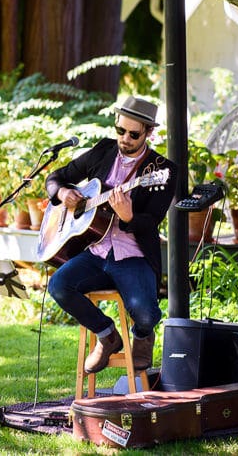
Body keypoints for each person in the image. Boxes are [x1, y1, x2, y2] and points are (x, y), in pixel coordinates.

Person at [44, 97, 177, 374]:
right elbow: (56, 177)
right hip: (96, 251)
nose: (125, 139)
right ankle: (107, 335)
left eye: (133, 134)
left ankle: (142, 337)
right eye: (120, 131)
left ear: (148, 133)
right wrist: (63, 192)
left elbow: (152, 222)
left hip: (133, 255)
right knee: (58, 286)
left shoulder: (162, 170)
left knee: (146, 313)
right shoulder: (104, 151)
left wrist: (129, 216)